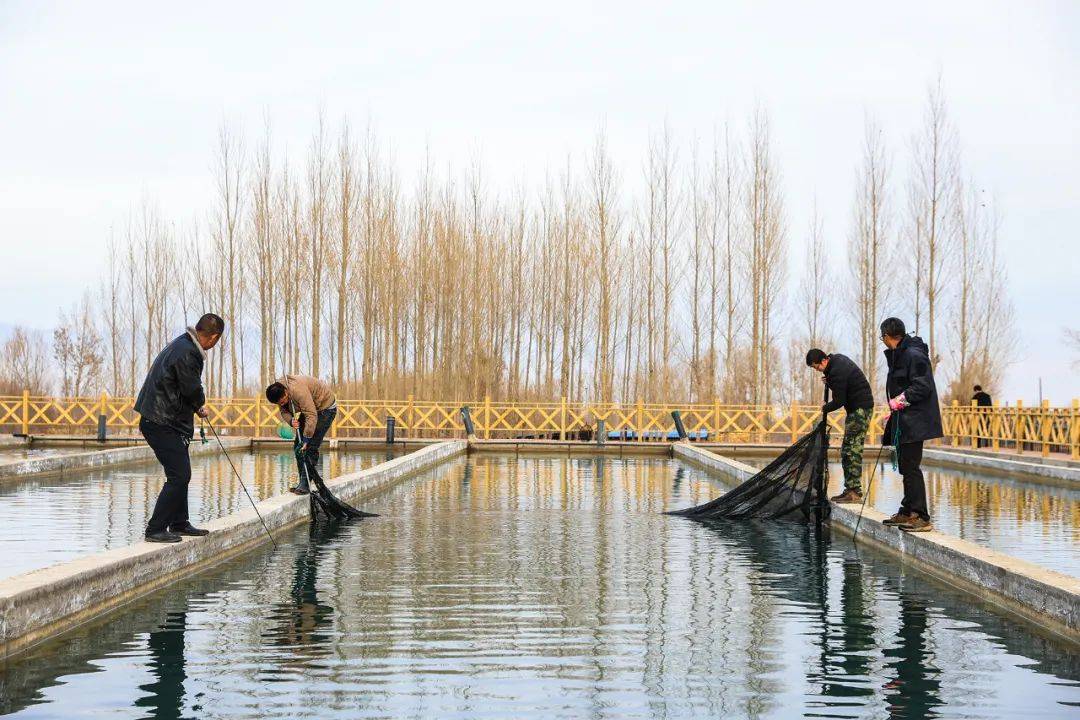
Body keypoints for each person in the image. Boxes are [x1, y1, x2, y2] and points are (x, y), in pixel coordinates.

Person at [135, 313, 224, 543]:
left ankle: (179, 522)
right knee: (180, 474)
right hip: (160, 421)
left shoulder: (183, 344)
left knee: (179, 473)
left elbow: (179, 386)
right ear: (213, 338)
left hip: (165, 420)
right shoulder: (189, 352)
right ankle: (155, 529)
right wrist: (199, 402)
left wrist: (196, 408)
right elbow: (192, 388)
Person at [879, 317, 943, 533]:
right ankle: (907, 511)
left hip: (917, 420)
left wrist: (901, 400)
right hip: (905, 419)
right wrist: (894, 410)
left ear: (887, 336)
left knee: (912, 467)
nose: (883, 342)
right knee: (906, 465)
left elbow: (923, 386)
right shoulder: (901, 355)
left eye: (883, 338)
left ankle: (921, 516)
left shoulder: (913, 355)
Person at [806, 348, 875, 503]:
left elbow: (839, 400)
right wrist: (829, 380)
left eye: (817, 367)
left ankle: (854, 492)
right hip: (857, 409)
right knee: (848, 449)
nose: (818, 371)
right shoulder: (837, 361)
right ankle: (850, 489)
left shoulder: (836, 370)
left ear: (824, 360)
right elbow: (842, 386)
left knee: (851, 450)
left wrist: (825, 408)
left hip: (860, 410)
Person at [265, 375, 337, 495]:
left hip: (325, 408)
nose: (282, 404)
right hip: (310, 408)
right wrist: (291, 420)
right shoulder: (277, 392)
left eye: (283, 401)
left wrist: (307, 438)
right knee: (298, 447)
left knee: (310, 447)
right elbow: (284, 411)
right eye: (279, 403)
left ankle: (305, 483)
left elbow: (311, 415)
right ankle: (303, 482)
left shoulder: (298, 391)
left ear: (286, 391)